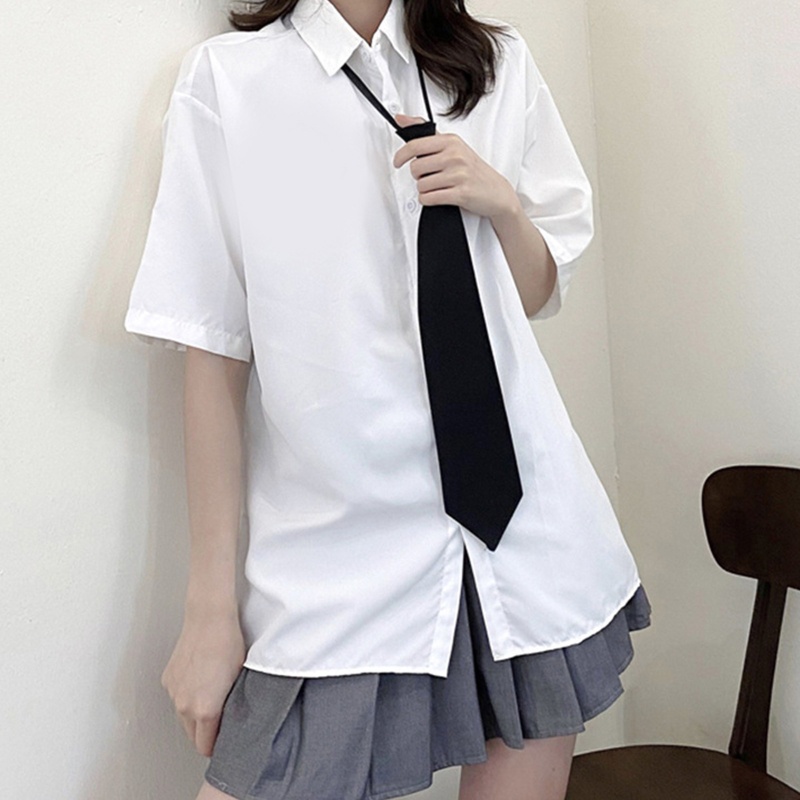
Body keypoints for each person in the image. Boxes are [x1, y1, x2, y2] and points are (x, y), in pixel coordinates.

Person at [123, 0, 653, 798]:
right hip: (342, 554)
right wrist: (209, 610)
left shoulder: (496, 65)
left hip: (529, 543)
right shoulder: (230, 82)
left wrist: (502, 203)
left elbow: (536, 293)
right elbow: (213, 349)